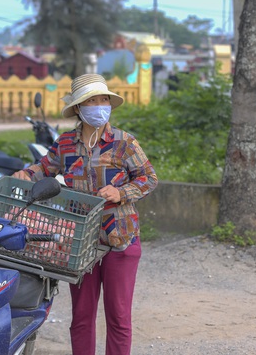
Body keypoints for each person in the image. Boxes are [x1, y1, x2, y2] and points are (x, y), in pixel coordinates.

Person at [12, 73, 158, 355]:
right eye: (92, 100)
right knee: (81, 316)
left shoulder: (124, 143)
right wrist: (26, 174)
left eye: (104, 99)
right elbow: (44, 168)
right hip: (80, 242)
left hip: (120, 239)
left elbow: (148, 178)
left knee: (118, 316)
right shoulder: (65, 144)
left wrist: (121, 193)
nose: (100, 105)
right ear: (79, 108)